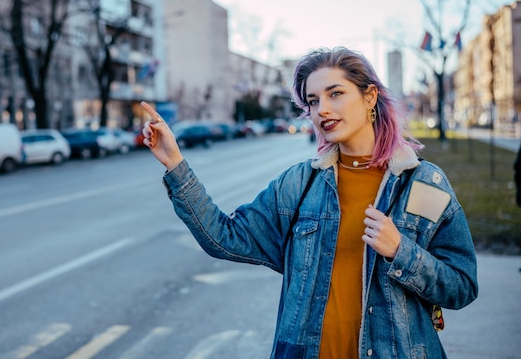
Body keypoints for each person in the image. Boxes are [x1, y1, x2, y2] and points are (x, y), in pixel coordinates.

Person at [140, 46, 478, 359]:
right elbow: (224, 237)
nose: (322, 110)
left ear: (370, 96)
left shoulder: (422, 183)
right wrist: (175, 164)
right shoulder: (300, 184)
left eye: (335, 94)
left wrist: (401, 250)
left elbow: (461, 286)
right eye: (313, 101)